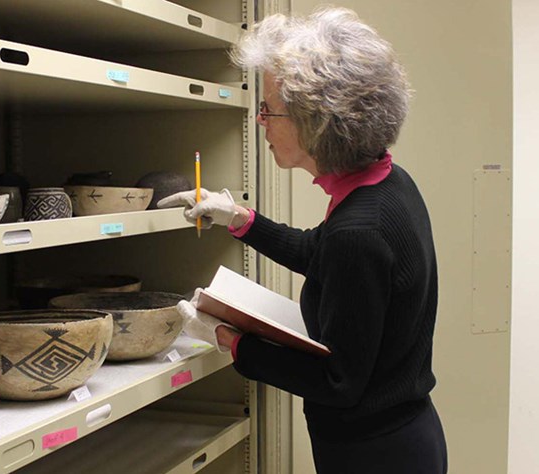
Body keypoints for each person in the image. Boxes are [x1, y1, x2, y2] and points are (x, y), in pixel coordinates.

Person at [157, 7, 447, 474]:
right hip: (399, 437)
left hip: (374, 455)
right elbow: (323, 252)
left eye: (269, 108)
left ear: (316, 121)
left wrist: (231, 342)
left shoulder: (361, 229)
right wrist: (239, 218)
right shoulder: (386, 185)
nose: (259, 121)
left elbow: (339, 383)